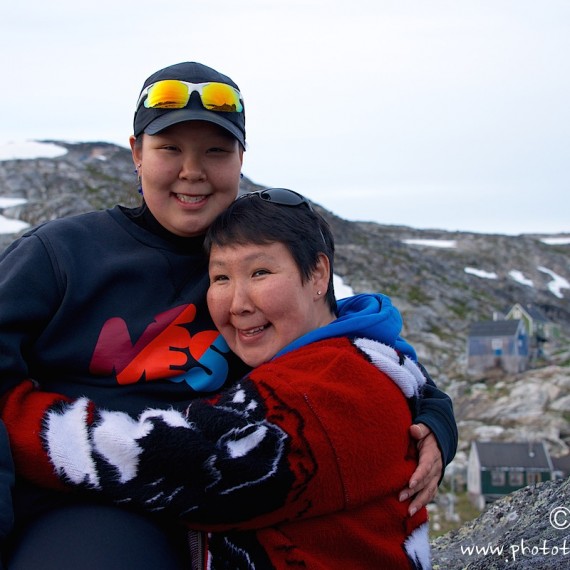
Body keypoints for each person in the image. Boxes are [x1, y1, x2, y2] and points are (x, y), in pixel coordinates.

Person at [0, 61, 455, 567]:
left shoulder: (258, 258)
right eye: (169, 149)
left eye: (216, 151)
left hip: (222, 501)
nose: (192, 171)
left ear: (241, 159)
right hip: (85, 504)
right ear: (136, 154)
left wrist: (434, 413)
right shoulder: (61, 255)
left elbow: (346, 345)